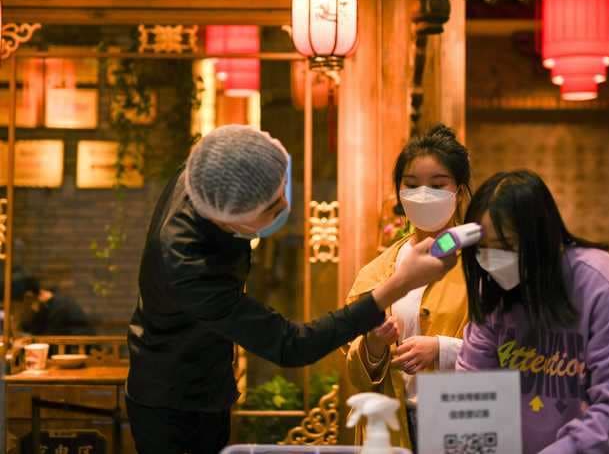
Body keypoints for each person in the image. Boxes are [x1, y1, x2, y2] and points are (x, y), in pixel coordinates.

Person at [125, 124, 456, 454]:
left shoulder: (209, 173)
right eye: (272, 209)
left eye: (282, 188)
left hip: (212, 382)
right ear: (230, 222)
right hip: (173, 402)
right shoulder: (186, 264)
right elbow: (292, 345)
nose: (285, 205)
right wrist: (399, 284)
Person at [456, 170, 609, 454]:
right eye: (482, 250)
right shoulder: (494, 296)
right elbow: (472, 392)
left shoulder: (599, 282)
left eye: (506, 246)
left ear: (540, 239)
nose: (491, 261)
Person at [346, 125, 471, 450]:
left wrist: (442, 350)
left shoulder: (482, 266)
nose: (424, 193)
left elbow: (513, 347)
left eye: (438, 184)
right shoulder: (377, 273)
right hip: (393, 427)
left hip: (463, 419)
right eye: (412, 184)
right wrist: (373, 343)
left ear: (458, 190)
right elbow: (352, 367)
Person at [0, 270, 93, 336]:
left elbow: (47, 351)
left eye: (12, 308)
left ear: (28, 298)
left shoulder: (61, 309)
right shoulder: (38, 311)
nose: (10, 314)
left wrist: (17, 331)